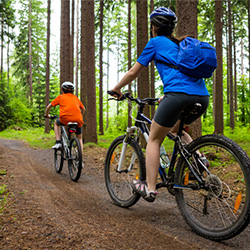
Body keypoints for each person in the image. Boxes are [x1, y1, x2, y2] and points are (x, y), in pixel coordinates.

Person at [109, 7, 209, 202]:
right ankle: (199, 158)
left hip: (177, 95)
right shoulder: (180, 44)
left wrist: (117, 89)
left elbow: (133, 72)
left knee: (153, 140)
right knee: (175, 128)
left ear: (153, 26)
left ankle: (150, 187)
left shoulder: (154, 42)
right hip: (202, 97)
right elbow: (183, 75)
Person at [45, 81, 85, 151]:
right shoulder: (75, 98)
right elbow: (83, 109)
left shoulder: (60, 97)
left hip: (65, 119)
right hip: (78, 120)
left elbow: (48, 107)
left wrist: (47, 115)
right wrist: (80, 115)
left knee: (56, 123)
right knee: (80, 138)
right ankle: (80, 159)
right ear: (72, 90)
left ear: (62, 90)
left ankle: (58, 142)